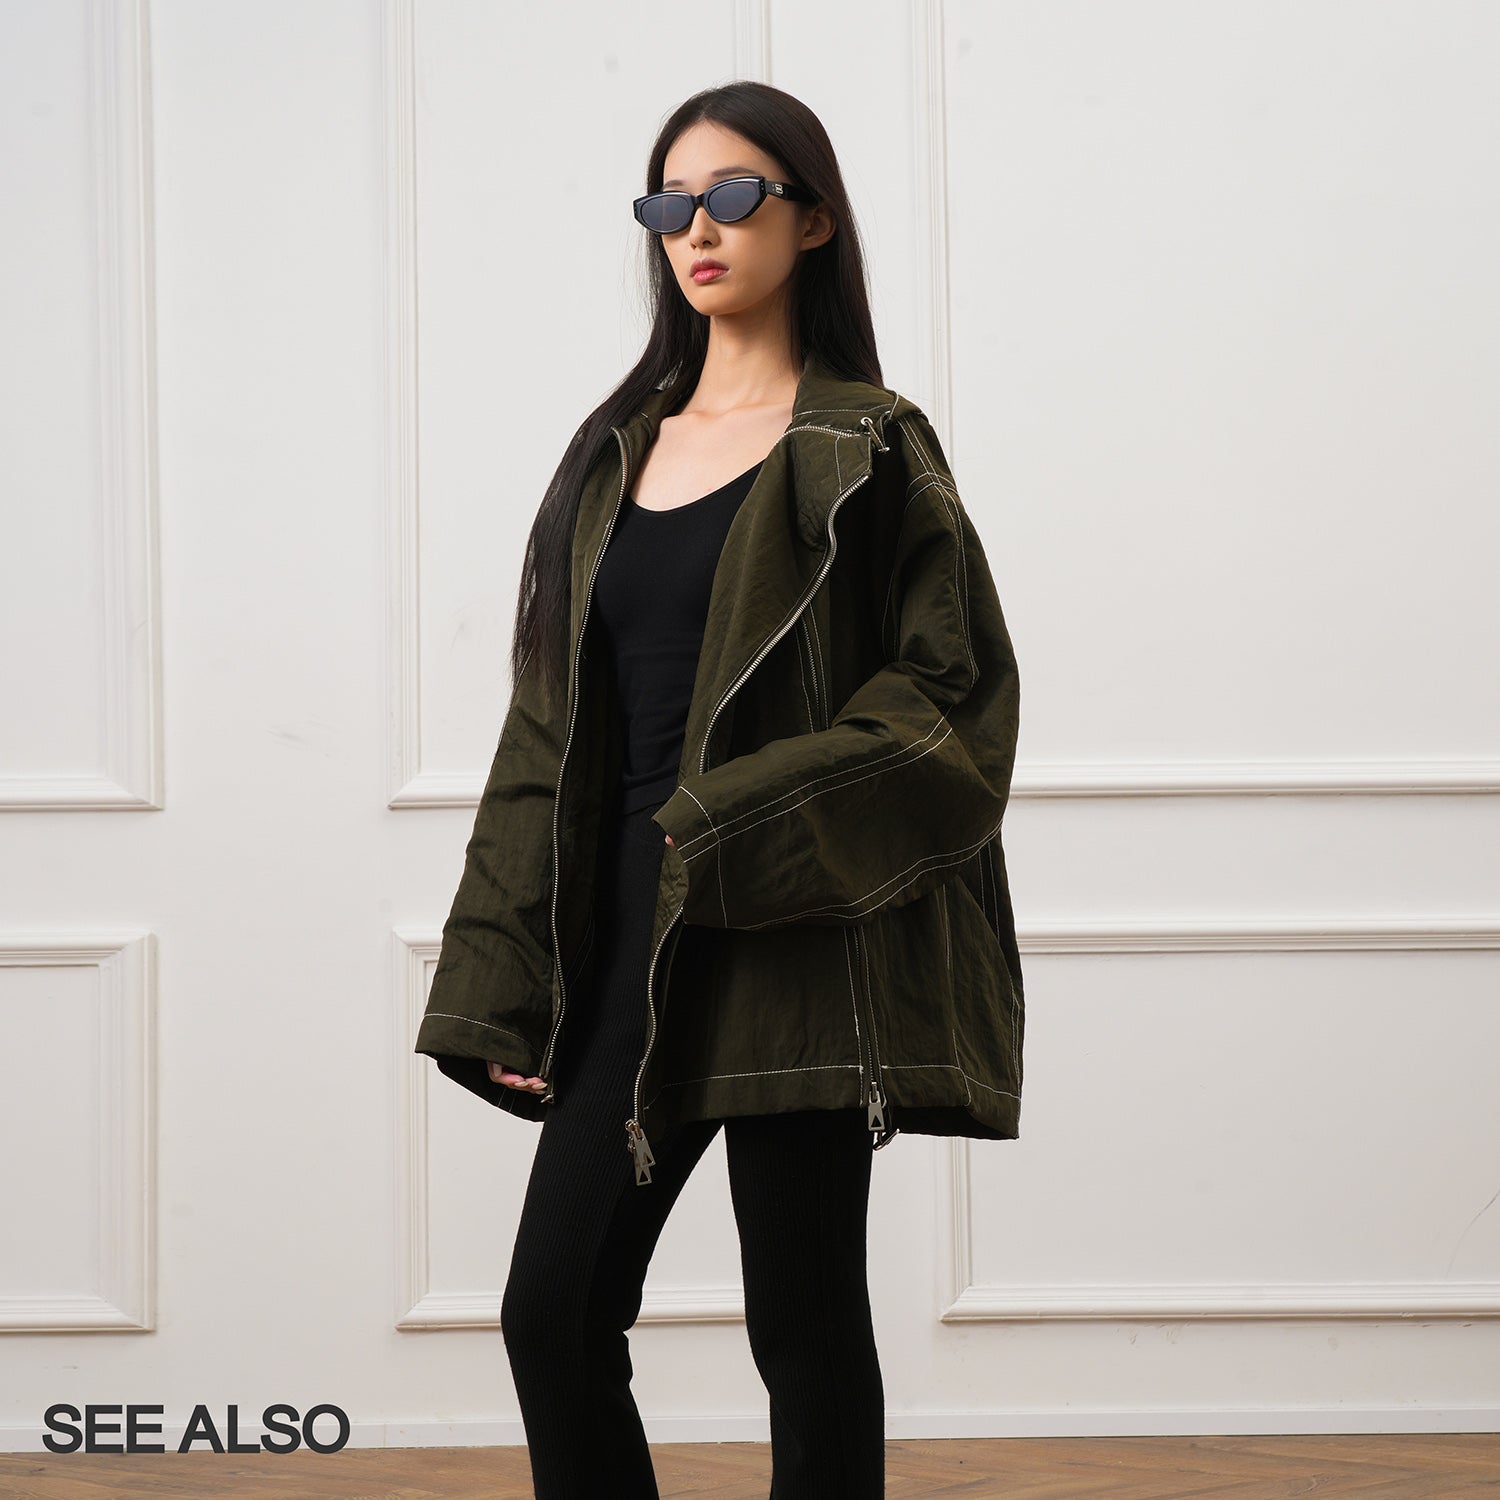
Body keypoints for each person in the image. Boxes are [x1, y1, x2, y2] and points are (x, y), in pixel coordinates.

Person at [414, 80, 1023, 1500]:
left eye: (735, 195)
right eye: (670, 202)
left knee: (802, 1328)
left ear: (811, 221)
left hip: (792, 923)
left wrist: (745, 814)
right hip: (630, 934)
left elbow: (950, 699)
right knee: (553, 1313)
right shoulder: (615, 455)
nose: (698, 228)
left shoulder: (867, 445)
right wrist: (504, 974)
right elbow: (542, 738)